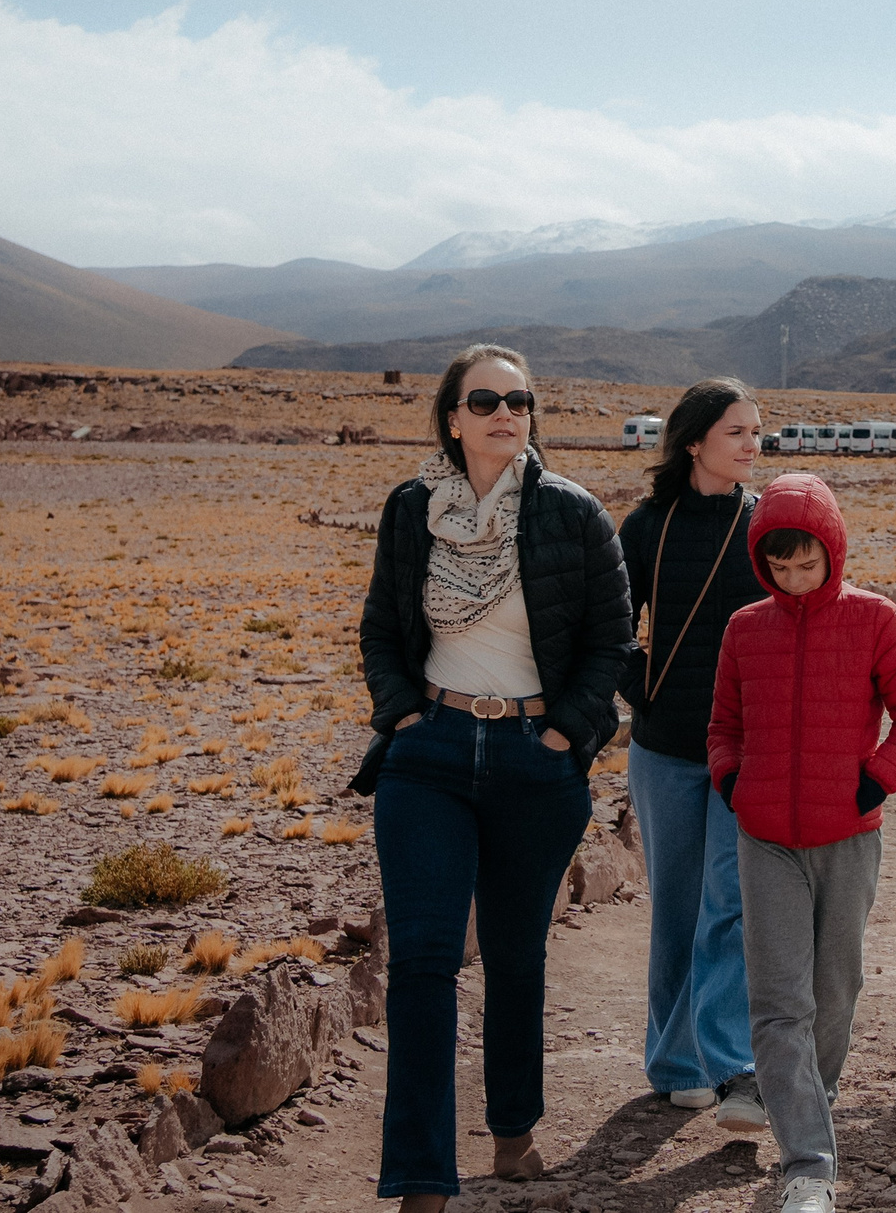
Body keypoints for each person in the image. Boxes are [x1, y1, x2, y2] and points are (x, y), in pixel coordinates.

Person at [352, 344, 634, 1213]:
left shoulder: (571, 513)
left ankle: (512, 1132)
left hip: (530, 759)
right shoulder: (412, 510)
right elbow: (379, 628)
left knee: (514, 955)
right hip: (428, 755)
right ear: (453, 417)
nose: (506, 413)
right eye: (486, 401)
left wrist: (561, 734)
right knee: (426, 962)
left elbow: (610, 639)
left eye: (521, 400)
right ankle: (423, 1179)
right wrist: (401, 714)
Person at [707, 475, 896, 1213]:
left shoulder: (875, 619)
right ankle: (807, 1166)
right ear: (763, 561)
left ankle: (812, 1093)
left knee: (835, 989)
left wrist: (875, 782)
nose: (796, 579)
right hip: (765, 837)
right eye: (781, 567)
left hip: (848, 836)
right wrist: (731, 781)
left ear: (832, 551)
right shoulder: (745, 627)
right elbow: (723, 726)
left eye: (808, 564)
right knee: (780, 1002)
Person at [616, 379, 767, 1130]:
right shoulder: (647, 527)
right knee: (677, 906)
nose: (752, 444)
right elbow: (603, 622)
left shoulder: (770, 523)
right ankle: (677, 1065)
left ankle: (729, 1060)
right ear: (696, 439)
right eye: (737, 431)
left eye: (756, 432)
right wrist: (637, 689)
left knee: (731, 905)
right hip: (667, 748)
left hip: (746, 750)